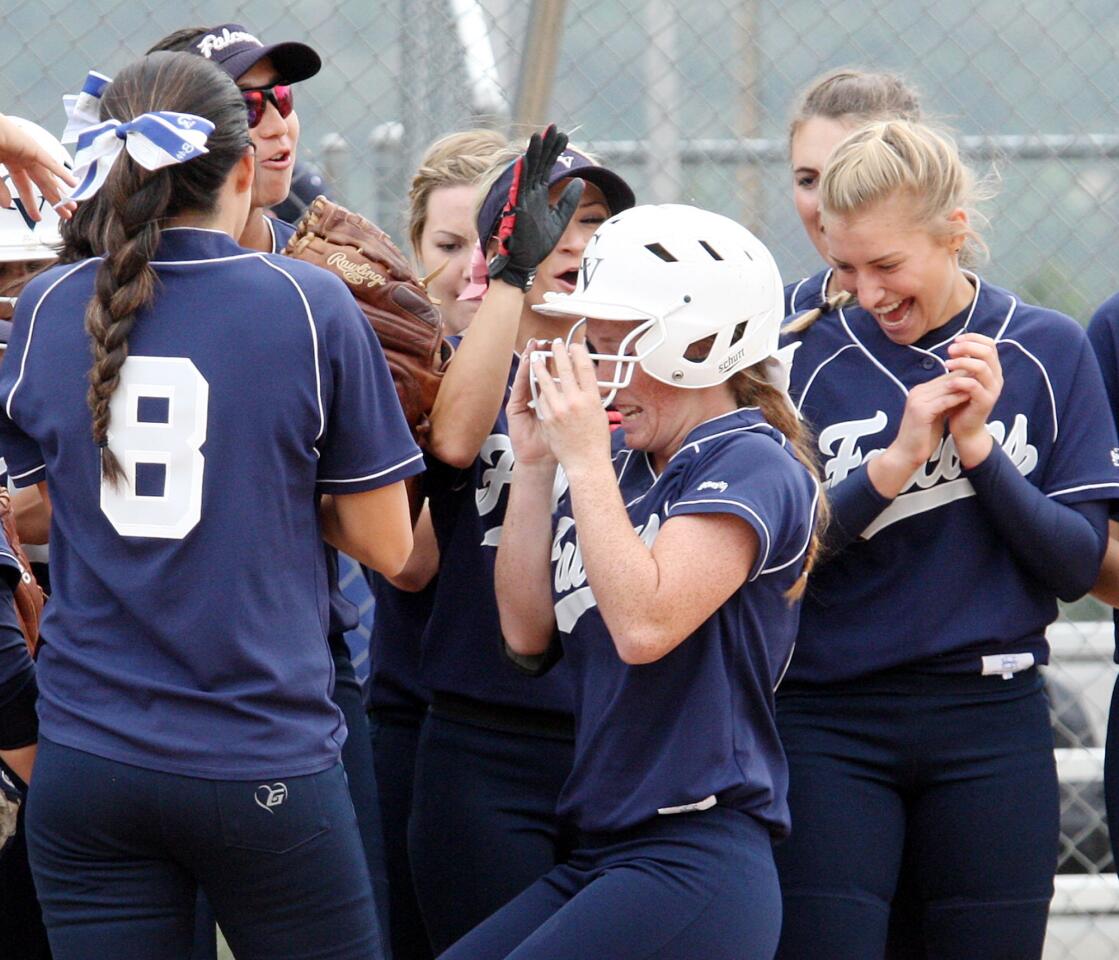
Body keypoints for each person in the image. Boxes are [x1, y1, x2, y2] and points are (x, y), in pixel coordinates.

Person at [0, 51, 421, 958]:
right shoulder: (308, 303)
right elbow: (386, 545)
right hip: (256, 754)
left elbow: (30, 515)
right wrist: (257, 487)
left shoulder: (45, 302)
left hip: (86, 759)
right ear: (240, 171)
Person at [437, 202, 821, 960]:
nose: (599, 366)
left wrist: (581, 460)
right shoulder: (621, 464)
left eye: (621, 345)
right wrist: (539, 462)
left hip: (694, 850)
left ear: (698, 344)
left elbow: (644, 626)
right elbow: (525, 634)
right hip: (605, 844)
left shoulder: (750, 460)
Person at [775, 119, 1119, 960]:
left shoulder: (1043, 348)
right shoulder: (803, 352)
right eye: (844, 267)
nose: (866, 291)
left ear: (953, 232)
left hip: (989, 716)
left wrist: (978, 452)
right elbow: (777, 558)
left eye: (887, 265)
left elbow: (1076, 564)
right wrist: (891, 463)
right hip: (829, 718)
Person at [140, 25, 395, 945]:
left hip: (304, 665)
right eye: (246, 105)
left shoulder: (333, 262)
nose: (277, 122)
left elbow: (406, 514)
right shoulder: (101, 280)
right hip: (155, 666)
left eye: (282, 97)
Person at [405, 128, 634, 952]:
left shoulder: (643, 367)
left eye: (596, 218)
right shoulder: (465, 362)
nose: (575, 236)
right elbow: (456, 443)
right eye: (556, 216)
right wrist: (507, 275)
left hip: (616, 737)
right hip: (487, 738)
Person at [365, 126, 509, 960]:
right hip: (420, 708)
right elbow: (408, 563)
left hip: (562, 719)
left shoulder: (587, 365)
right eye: (448, 245)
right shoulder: (393, 372)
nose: (471, 270)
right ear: (414, 252)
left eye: (495, 245)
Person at [784, 68, 920, 317]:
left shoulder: (997, 330)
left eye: (851, 174)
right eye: (807, 180)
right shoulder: (770, 324)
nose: (826, 204)